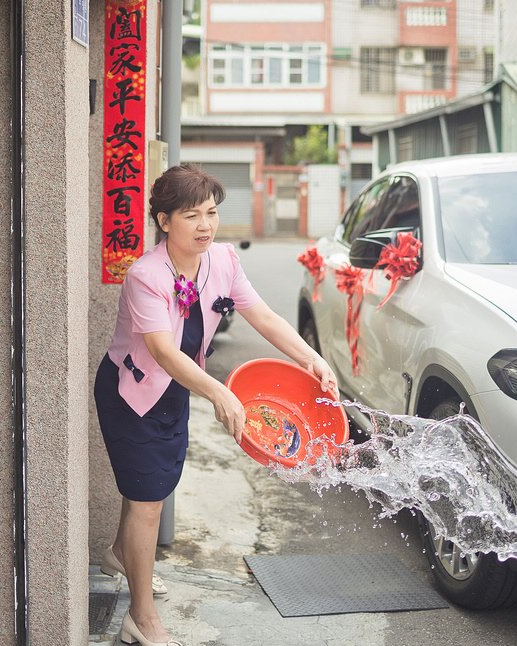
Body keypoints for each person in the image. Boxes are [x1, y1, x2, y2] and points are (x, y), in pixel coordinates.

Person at [94, 164, 337, 646]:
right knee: (146, 501)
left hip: (177, 388)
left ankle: (121, 554)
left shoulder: (223, 260)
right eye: (191, 215)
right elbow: (162, 351)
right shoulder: (145, 275)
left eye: (211, 213)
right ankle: (140, 619)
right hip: (133, 393)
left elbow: (262, 316)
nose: (206, 225)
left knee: (154, 485)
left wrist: (312, 359)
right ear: (164, 221)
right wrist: (220, 391)